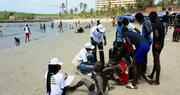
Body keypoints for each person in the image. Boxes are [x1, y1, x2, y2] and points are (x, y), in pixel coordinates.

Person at [148, 11, 165, 85]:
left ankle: (157, 80)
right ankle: (152, 74)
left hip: (157, 45)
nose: (149, 19)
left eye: (149, 17)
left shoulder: (155, 25)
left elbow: (156, 35)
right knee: (155, 60)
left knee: (157, 61)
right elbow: (163, 35)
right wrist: (160, 43)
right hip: (161, 44)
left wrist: (156, 43)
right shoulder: (161, 24)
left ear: (152, 17)